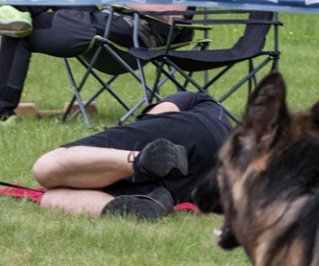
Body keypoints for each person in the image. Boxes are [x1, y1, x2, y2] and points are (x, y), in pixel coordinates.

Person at [0, 0, 213, 122]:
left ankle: (2, 111)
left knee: (20, 29)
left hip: (129, 36)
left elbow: (172, 13)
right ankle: (14, 12)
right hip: (113, 22)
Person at [33, 91, 231, 220]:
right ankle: (137, 207)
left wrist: (121, 134)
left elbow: (155, 117)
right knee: (50, 198)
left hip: (198, 135)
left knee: (45, 167)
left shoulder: (198, 100)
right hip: (200, 185)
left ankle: (140, 160)